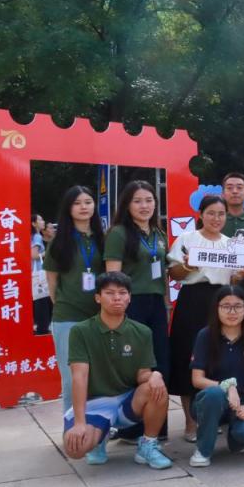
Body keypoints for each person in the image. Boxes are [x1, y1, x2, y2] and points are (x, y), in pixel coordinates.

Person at [61, 272, 172, 469]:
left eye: (122, 293)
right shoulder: (81, 331)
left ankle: (148, 445)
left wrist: (155, 375)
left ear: (129, 297)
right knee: (75, 449)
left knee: (157, 387)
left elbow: (142, 374)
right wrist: (79, 423)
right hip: (95, 404)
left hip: (126, 403)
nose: (117, 298)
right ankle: (99, 438)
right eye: (110, 293)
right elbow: (79, 377)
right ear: (98, 297)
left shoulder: (142, 331)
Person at [167, 195, 244, 442]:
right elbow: (173, 273)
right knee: (188, 357)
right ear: (201, 214)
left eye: (221, 214)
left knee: (217, 358)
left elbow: (233, 277)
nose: (216, 218)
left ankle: (213, 416)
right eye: (211, 213)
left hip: (221, 301)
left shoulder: (230, 244)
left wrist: (239, 277)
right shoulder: (187, 238)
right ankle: (190, 423)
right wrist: (188, 266)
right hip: (192, 300)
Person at [104, 180, 170, 438]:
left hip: (156, 303)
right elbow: (113, 277)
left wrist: (166, 304)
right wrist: (117, 307)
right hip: (131, 304)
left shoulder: (159, 233)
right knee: (134, 364)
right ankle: (131, 428)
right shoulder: (119, 233)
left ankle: (157, 427)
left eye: (149, 200)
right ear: (127, 204)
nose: (145, 206)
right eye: (138, 201)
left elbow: (164, 273)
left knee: (159, 362)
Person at [189, 286, 244, 466]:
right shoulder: (205, 335)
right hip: (211, 400)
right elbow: (197, 379)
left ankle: (236, 439)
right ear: (217, 308)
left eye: (238, 306)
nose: (232, 312)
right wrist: (227, 387)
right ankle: (203, 450)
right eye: (226, 306)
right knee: (214, 395)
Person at [44, 186, 105, 411]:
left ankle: (97, 424)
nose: (83, 207)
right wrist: (64, 305)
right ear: (68, 208)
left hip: (100, 317)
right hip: (68, 317)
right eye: (77, 203)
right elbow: (52, 284)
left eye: (88, 202)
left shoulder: (102, 239)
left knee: (99, 377)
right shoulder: (59, 242)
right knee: (72, 379)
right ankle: (72, 425)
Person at [31, 213, 52, 335]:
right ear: (34, 224)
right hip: (38, 273)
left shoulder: (33, 236)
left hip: (36, 273)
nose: (43, 221)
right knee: (41, 299)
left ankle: (41, 327)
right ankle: (42, 328)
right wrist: (48, 252)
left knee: (40, 299)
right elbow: (34, 255)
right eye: (40, 219)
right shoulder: (37, 237)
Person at [221, 172, 244, 237]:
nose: (235, 191)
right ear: (223, 194)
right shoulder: (216, 221)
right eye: (229, 188)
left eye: (239, 188)